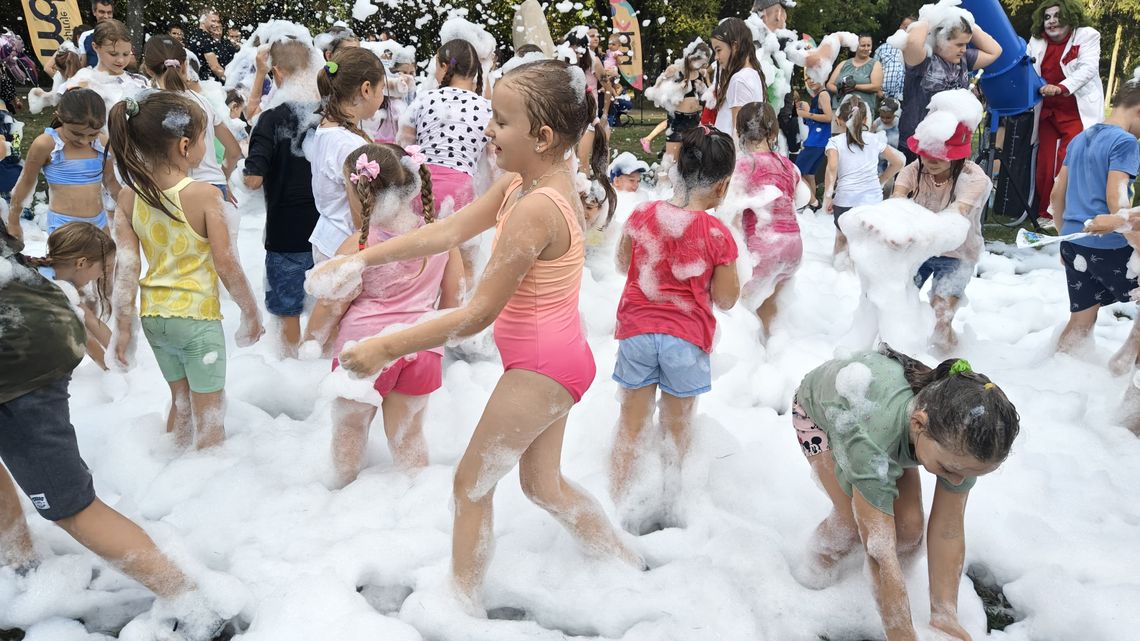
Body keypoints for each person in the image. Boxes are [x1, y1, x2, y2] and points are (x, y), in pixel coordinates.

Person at [305, 60, 638, 609]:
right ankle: (623, 564)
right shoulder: (520, 185)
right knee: (542, 486)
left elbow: (475, 314)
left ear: (543, 136)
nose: (487, 128)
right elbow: (449, 230)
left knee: (470, 485)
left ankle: (460, 606)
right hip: (560, 361)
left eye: (502, 121)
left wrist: (384, 346)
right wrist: (362, 260)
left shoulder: (536, 207)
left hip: (541, 371)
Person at [0, 227, 227, 640]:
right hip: (32, 317)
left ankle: (199, 609)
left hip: (16, 349)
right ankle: (20, 560)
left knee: (71, 505)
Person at [791, 345, 1019, 641]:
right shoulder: (875, 439)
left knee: (909, 530)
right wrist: (902, 634)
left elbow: (949, 529)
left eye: (968, 473)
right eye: (949, 469)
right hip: (822, 416)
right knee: (852, 524)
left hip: (888, 424)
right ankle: (815, 570)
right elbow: (879, 552)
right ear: (918, 424)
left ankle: (889, 589)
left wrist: (944, 614)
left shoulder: (960, 448)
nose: (957, 480)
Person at [107, 92, 263, 451]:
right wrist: (250, 312)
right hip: (196, 321)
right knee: (209, 418)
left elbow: (127, 270)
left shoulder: (129, 197)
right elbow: (226, 264)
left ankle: (171, 469)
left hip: (154, 319)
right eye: (204, 140)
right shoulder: (205, 195)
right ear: (185, 145)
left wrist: (123, 328)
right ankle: (206, 487)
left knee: (181, 406)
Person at [610, 126, 740, 532]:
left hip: (636, 331)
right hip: (685, 340)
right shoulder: (718, 234)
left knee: (630, 425)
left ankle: (618, 505)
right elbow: (727, 298)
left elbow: (620, 264)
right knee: (678, 429)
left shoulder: (642, 215)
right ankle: (676, 508)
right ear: (722, 188)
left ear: (675, 173)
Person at [320, 143, 463, 486]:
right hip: (421, 346)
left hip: (363, 349)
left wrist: (315, 340)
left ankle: (337, 502)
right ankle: (415, 504)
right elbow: (453, 299)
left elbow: (332, 303)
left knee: (349, 433)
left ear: (361, 194)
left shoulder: (359, 244)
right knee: (409, 439)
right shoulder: (441, 236)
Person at [300, 48, 386, 352]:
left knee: (330, 320)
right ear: (365, 89)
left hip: (325, 234)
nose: (382, 97)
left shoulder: (325, 131)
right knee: (338, 326)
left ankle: (308, 363)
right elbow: (361, 212)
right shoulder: (350, 144)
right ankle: (311, 361)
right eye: (381, 89)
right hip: (346, 242)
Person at [893, 91, 992, 352]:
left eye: (941, 155)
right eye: (926, 154)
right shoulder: (912, 171)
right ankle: (903, 353)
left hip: (958, 254)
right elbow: (895, 205)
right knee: (897, 303)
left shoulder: (974, 178)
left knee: (941, 316)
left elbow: (955, 215)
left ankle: (947, 358)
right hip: (920, 248)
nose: (931, 160)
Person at [243, 38, 322, 356]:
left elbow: (252, 179)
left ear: (276, 72)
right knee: (325, 309)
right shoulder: (328, 116)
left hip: (285, 235)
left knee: (288, 313)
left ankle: (290, 372)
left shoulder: (271, 119)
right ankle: (315, 374)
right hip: (327, 236)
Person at [1050, 76, 1140, 355]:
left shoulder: (1080, 138)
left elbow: (1056, 195)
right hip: (1110, 247)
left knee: (1080, 320)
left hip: (1075, 243)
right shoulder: (1126, 143)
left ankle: (1056, 372)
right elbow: (1117, 201)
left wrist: (1064, 237)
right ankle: (1124, 368)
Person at [398, 39, 493, 286]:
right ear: (475, 72)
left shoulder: (423, 99)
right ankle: (457, 312)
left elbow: (403, 146)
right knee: (464, 265)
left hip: (422, 185)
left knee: (417, 262)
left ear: (443, 66)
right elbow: (494, 161)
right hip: (461, 189)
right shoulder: (487, 108)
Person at [1027, 0, 1104, 226]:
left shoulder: (1088, 35)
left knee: (1069, 160)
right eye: (1047, 17)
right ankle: (1047, 213)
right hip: (1047, 111)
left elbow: (1088, 68)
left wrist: (1060, 87)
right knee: (1045, 162)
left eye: (1057, 16)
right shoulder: (1036, 40)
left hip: (1076, 111)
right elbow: (1028, 70)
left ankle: (1068, 209)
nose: (1052, 21)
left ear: (1071, 17)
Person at [732, 102, 804, 338]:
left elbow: (731, 216)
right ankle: (773, 350)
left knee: (742, 308)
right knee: (770, 308)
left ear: (739, 133)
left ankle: (756, 359)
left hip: (764, 246)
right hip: (793, 246)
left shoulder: (744, 166)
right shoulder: (789, 165)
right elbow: (802, 198)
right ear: (774, 133)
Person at [6, 89, 118, 239]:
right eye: (76, 133)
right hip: (63, 227)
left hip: (99, 223)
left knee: (107, 262)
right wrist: (13, 221)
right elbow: (25, 182)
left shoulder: (102, 142)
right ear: (60, 117)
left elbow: (111, 182)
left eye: (92, 134)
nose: (84, 141)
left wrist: (133, 210)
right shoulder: (47, 144)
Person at [143, 35, 242, 201]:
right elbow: (234, 151)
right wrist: (221, 179)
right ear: (185, 65)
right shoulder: (203, 102)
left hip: (173, 191)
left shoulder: (149, 107)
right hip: (214, 186)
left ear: (148, 69)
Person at [899, 14, 1001, 163]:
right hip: (917, 141)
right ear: (940, 41)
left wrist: (969, 23)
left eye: (966, 44)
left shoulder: (965, 59)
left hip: (951, 143)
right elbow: (913, 41)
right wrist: (933, 15)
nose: (964, 49)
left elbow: (995, 51)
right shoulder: (924, 59)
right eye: (959, 44)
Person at [24, 222, 115, 369]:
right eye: (104, 268)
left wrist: (120, 356)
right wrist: (110, 369)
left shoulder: (49, 274)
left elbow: (90, 319)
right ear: (81, 263)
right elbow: (86, 340)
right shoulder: (52, 289)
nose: (103, 274)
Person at [823, 97, 904, 258]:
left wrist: (827, 196)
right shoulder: (874, 140)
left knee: (842, 238)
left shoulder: (835, 142)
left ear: (839, 120)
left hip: (845, 199)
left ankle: (838, 273)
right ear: (866, 119)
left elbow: (832, 167)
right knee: (868, 243)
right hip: (872, 201)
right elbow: (899, 161)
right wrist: (881, 181)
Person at [642, 40, 712, 163]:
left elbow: (710, 93)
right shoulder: (676, 70)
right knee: (672, 161)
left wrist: (704, 89)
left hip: (695, 120)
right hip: (678, 120)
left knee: (693, 162)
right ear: (690, 56)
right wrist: (677, 87)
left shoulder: (701, 73)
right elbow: (656, 91)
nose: (699, 66)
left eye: (702, 63)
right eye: (697, 62)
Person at [711, 18, 764, 137]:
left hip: (730, 153)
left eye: (718, 50)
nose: (716, 57)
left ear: (735, 46)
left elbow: (739, 134)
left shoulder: (739, 79)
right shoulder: (753, 74)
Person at [794, 71, 832, 209]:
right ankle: (811, 205)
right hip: (820, 141)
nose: (810, 81)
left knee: (796, 172)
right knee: (809, 174)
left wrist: (806, 114)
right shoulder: (818, 95)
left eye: (813, 77)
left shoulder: (823, 94)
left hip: (815, 141)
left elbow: (828, 117)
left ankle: (813, 202)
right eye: (807, 78)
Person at [826, 34, 882, 113]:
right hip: (839, 110)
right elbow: (829, 84)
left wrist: (855, 86)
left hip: (862, 112)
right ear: (855, 46)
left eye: (868, 45)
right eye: (863, 45)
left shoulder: (875, 64)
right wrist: (841, 90)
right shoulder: (843, 63)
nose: (866, 48)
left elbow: (876, 86)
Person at [874, 17, 913, 104]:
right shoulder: (883, 48)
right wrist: (877, 91)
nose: (907, 30)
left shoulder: (915, 51)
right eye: (906, 27)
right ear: (900, 27)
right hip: (882, 96)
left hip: (904, 98)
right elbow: (873, 70)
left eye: (911, 28)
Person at [186, 8, 229, 82]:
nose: (216, 24)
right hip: (205, 84)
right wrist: (231, 82)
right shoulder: (205, 39)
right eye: (213, 21)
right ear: (203, 20)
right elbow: (215, 67)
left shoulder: (194, 35)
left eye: (218, 22)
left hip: (195, 81)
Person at [78, 0, 115, 67]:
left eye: (109, 13)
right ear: (94, 12)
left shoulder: (121, 34)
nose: (106, 16)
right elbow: (83, 65)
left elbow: (133, 65)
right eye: (102, 12)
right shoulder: (85, 36)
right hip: (92, 76)